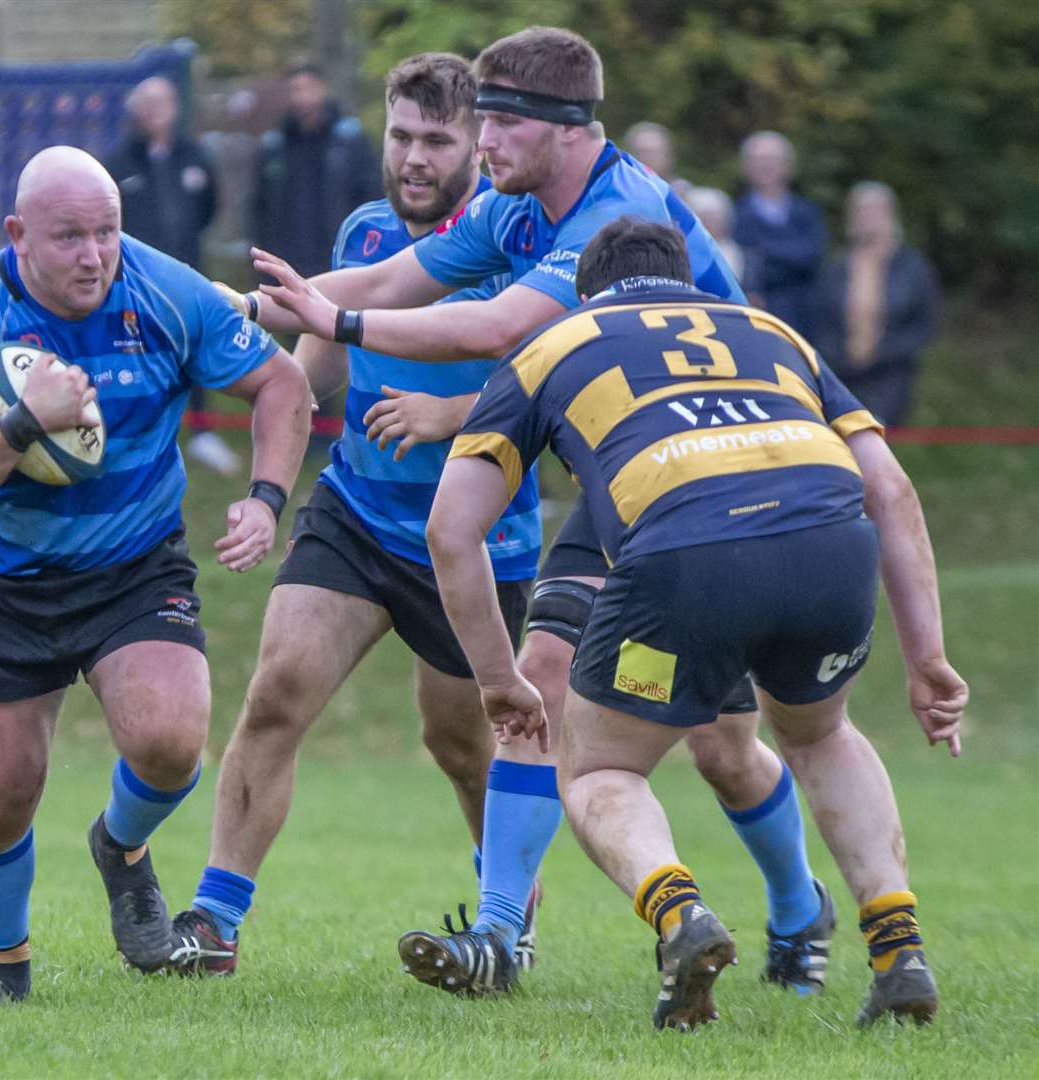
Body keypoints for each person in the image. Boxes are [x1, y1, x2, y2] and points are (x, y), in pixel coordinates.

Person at [221, 26, 835, 999]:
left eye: (498, 122)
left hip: (727, 476)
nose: (481, 140)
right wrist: (228, 312)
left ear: (561, 130)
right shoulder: (515, 209)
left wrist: (335, 322)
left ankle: (803, 912)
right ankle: (503, 937)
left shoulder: (613, 211)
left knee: (725, 748)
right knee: (538, 687)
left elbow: (500, 330)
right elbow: (395, 281)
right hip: (625, 475)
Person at [427, 217, 966, 1030]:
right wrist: (928, 657)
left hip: (688, 555)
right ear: (690, 279)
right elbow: (889, 490)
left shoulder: (557, 341)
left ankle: (680, 916)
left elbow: (449, 530)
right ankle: (898, 950)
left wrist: (499, 680)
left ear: (585, 292)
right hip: (829, 543)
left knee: (601, 770)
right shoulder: (771, 330)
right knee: (820, 735)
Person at [165, 52, 543, 977]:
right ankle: (214, 923)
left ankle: (506, 928)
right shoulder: (367, 233)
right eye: (401, 136)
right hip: (357, 514)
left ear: (477, 146)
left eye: (437, 141)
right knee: (278, 690)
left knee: (460, 745)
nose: (414, 158)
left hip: (478, 537)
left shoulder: (521, 243)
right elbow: (310, 373)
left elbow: (544, 383)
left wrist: (449, 416)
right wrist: (267, 489)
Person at [0, 146, 310, 1004]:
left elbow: (282, 383)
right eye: (68, 238)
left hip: (132, 565)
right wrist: (24, 423)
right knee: (0, 795)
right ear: (18, 235)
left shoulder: (165, 293)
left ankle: (120, 846)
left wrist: (266, 499)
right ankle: (4, 964)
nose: (93, 255)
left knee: (169, 743)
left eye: (106, 233)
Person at [105, 76, 241, 478]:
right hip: (135, 279)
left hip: (187, 272)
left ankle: (202, 430)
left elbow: (209, 207)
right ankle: (138, 432)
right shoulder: (118, 163)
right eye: (148, 105)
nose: (156, 113)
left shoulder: (194, 157)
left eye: (163, 104)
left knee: (192, 347)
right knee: (134, 349)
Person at [812, 182, 940, 426]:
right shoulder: (836, 267)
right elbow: (820, 319)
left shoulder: (913, 267)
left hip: (890, 378)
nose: (867, 218)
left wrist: (882, 356)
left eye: (874, 211)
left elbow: (925, 324)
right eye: (860, 211)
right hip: (840, 377)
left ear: (891, 215)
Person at [251, 59, 380, 280]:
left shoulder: (349, 142)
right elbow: (259, 207)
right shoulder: (275, 147)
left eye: (307, 88)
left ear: (322, 89)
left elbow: (371, 197)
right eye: (294, 90)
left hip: (339, 263)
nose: (301, 97)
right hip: (288, 264)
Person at [734, 131, 827, 337]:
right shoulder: (734, 215)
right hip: (755, 322)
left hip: (804, 322)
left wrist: (763, 252)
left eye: (773, 160)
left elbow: (812, 257)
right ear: (745, 167)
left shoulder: (808, 213)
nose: (766, 166)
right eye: (759, 160)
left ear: (789, 166)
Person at [686, 185, 744, 285]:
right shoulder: (685, 252)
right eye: (705, 218)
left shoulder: (734, 250)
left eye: (714, 218)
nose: (710, 224)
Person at [622, 120, 690, 196]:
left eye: (656, 152)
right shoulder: (616, 192)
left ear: (669, 155)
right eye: (643, 152)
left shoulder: (683, 193)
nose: (650, 158)